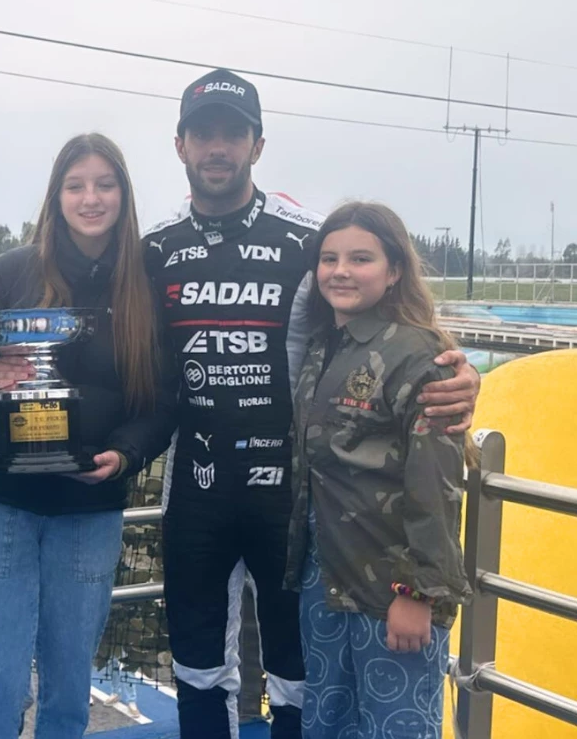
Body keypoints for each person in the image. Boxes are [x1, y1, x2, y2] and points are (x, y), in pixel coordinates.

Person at [142, 68, 481, 739]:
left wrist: (454, 370)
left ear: (257, 146)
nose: (218, 148)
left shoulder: (306, 240)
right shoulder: (153, 247)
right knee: (198, 664)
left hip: (291, 494)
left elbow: (375, 329)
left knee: (300, 675)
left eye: (233, 135)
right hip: (198, 484)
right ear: (180, 145)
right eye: (203, 134)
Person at [0, 133, 177, 738]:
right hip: (0, 502)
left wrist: (126, 453)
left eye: (104, 184)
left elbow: (163, 399)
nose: (90, 198)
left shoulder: (147, 281)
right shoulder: (9, 274)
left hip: (92, 508)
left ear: (124, 194)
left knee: (68, 687)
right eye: (75, 185)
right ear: (55, 196)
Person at [284, 201, 473, 738]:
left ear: (393, 272)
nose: (341, 270)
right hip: (328, 579)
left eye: (360, 258)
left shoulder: (421, 357)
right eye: (329, 258)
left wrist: (417, 593)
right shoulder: (325, 346)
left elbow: (436, 484)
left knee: (396, 729)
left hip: (394, 588)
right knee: (327, 723)